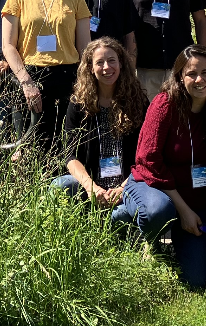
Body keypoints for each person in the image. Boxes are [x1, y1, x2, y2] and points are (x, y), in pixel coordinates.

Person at [112, 46, 206, 288]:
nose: (199, 80)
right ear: (180, 76)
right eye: (191, 73)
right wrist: (182, 211)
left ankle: (172, 244)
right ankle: (129, 222)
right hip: (153, 187)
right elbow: (148, 160)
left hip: (197, 199)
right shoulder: (165, 104)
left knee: (197, 279)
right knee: (156, 211)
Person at [1, 0, 92, 153]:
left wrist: (85, 83)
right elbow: (8, 46)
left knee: (66, 146)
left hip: (68, 77)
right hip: (31, 77)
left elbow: (85, 49)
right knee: (32, 148)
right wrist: (26, 81)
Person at [55, 38, 148, 204]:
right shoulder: (78, 103)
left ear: (121, 63)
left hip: (128, 186)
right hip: (91, 187)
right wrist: (91, 187)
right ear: (90, 68)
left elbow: (146, 155)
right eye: (100, 62)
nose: (106, 67)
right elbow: (69, 155)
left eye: (112, 60)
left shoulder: (138, 101)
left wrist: (123, 188)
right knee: (60, 186)